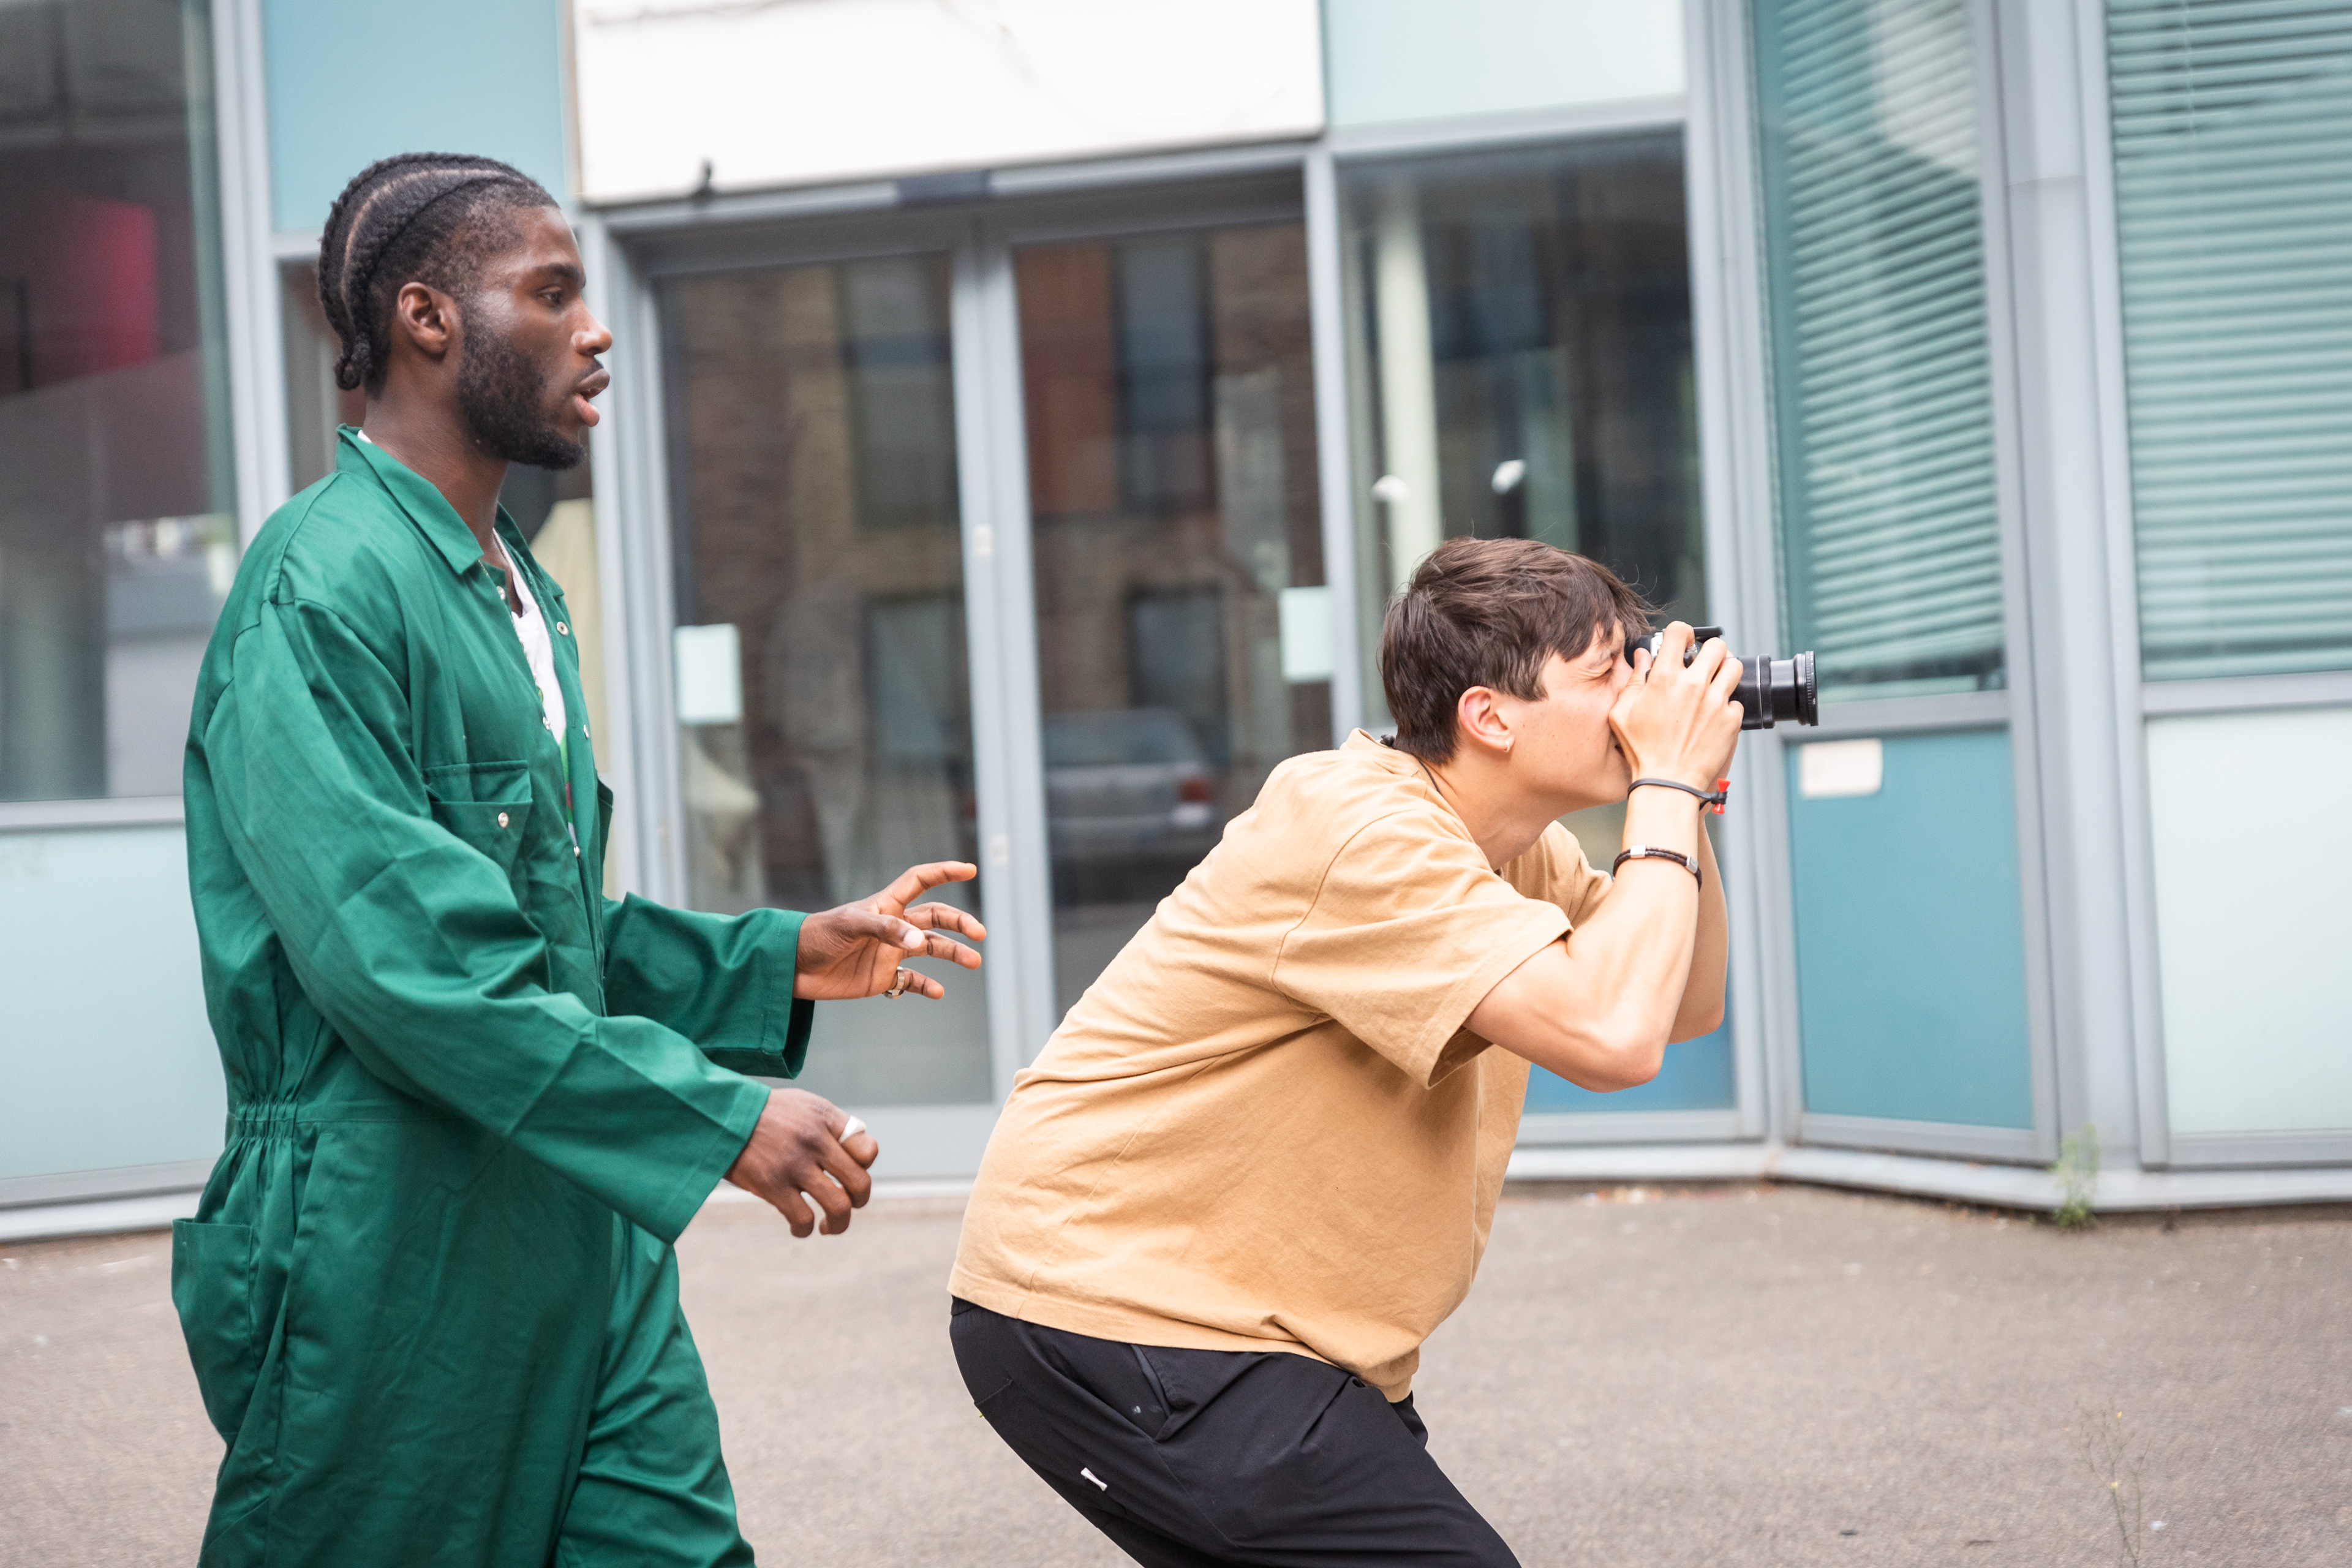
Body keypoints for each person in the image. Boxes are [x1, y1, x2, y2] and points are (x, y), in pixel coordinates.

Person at [172, 152, 982, 1567]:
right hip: (391, 1242)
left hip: (579, 1221)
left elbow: (545, 930)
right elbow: (414, 964)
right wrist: (714, 1115)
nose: (594, 330)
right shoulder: (320, 585)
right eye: (550, 293)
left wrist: (777, 956)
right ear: (428, 319)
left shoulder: (517, 589)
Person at [948, 537, 1740, 1566]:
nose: (1643, 698)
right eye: (1608, 674)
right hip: (1120, 1310)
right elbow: (1613, 1037)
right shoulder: (1361, 829)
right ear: (1490, 717)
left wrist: (1688, 796)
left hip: (1271, 1336)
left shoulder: (1521, 851)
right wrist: (1666, 783)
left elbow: (1682, 1005)